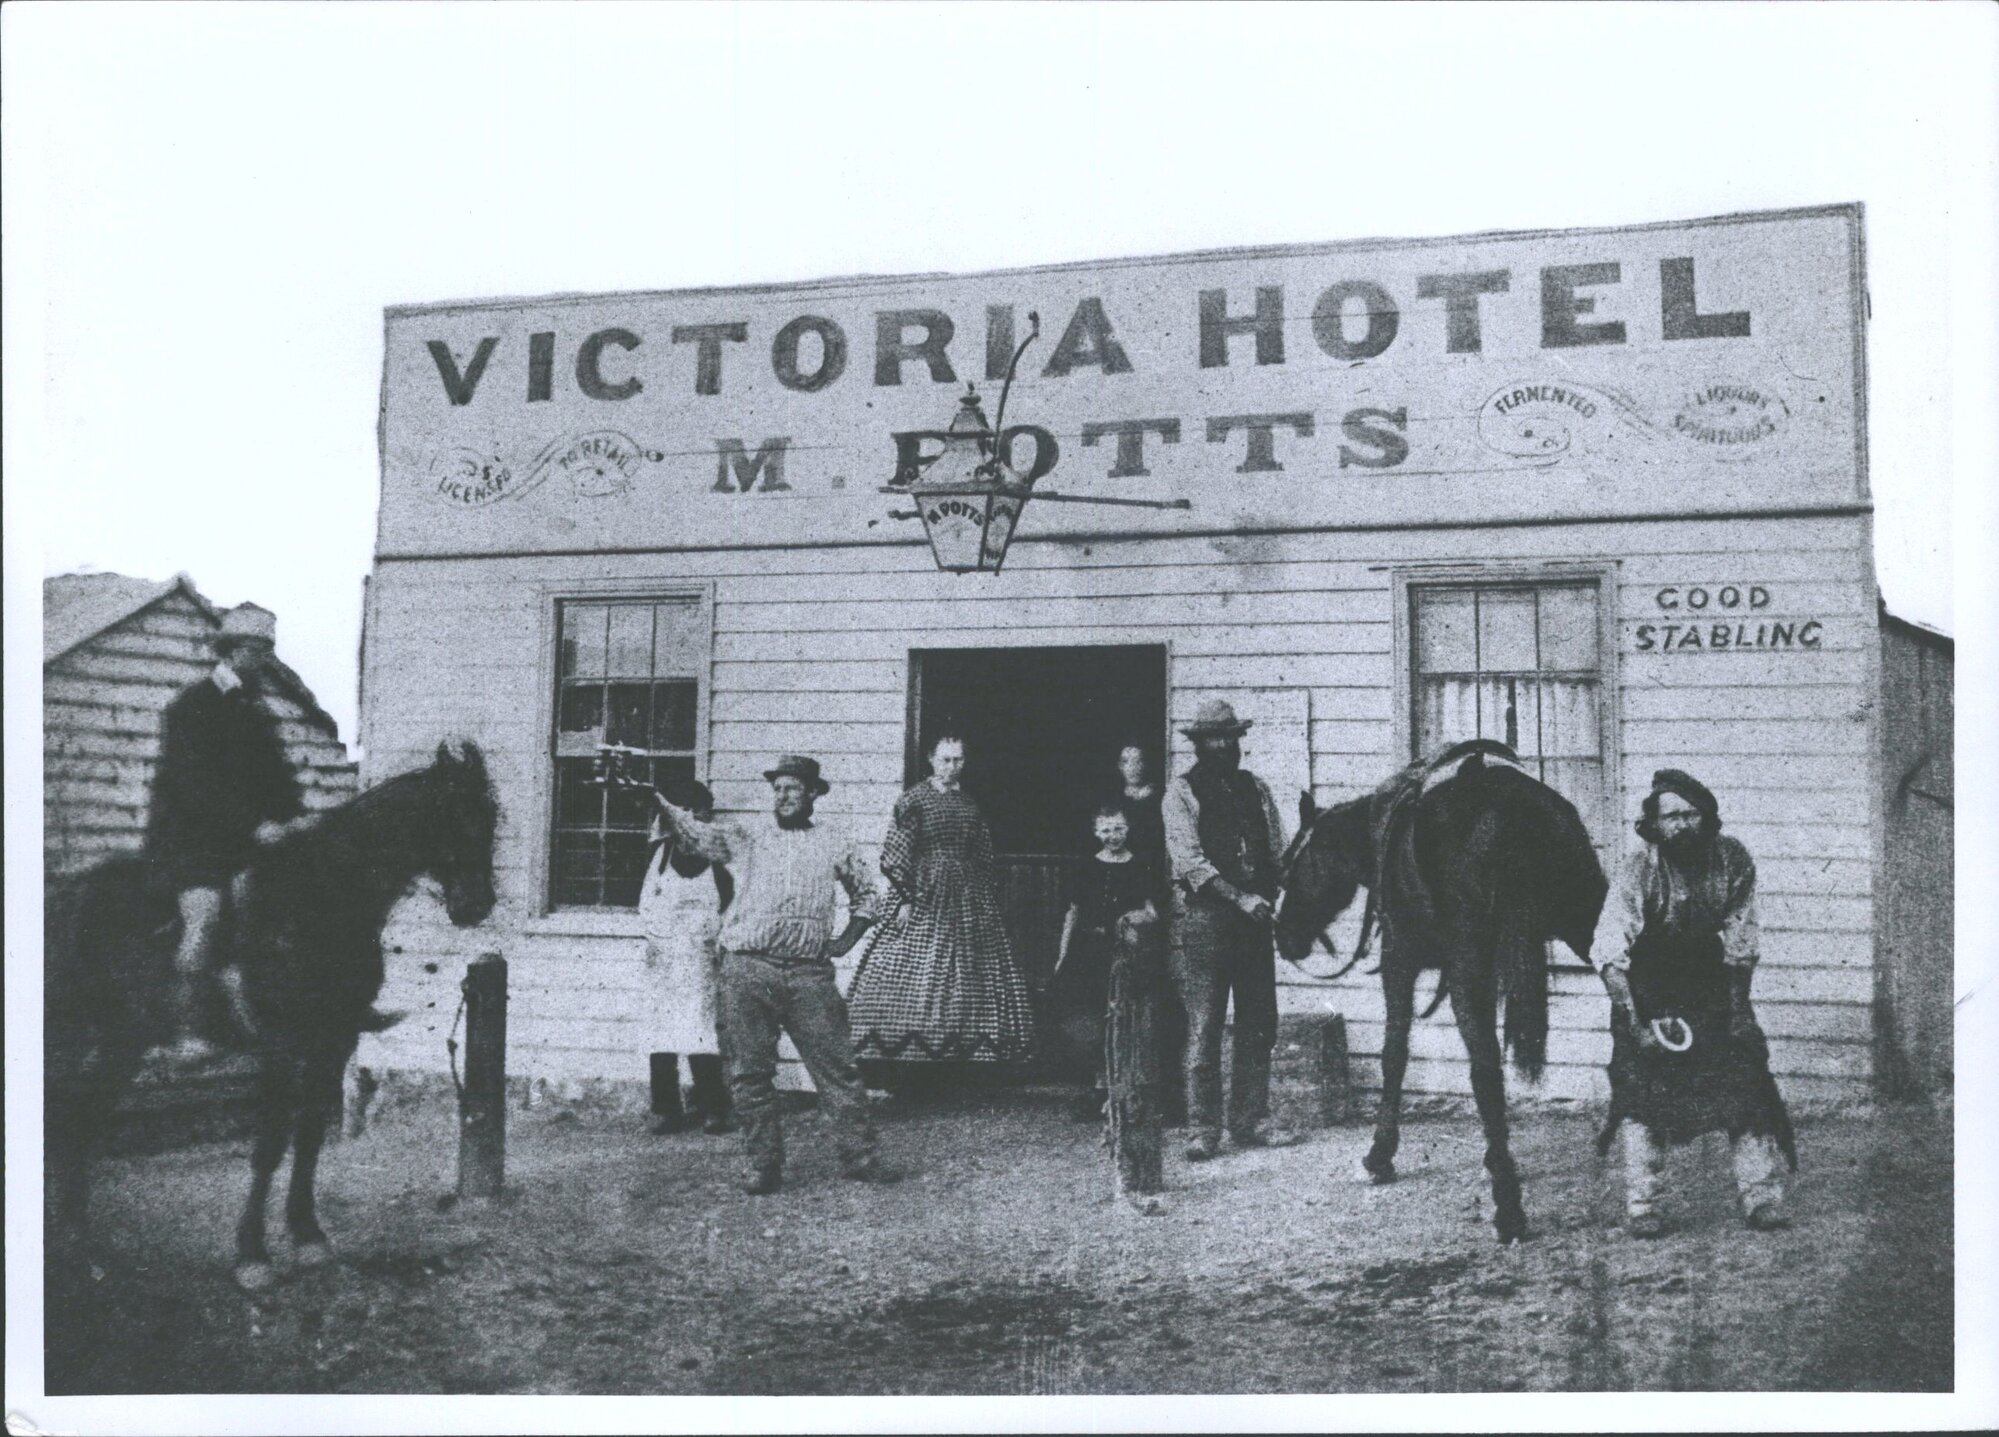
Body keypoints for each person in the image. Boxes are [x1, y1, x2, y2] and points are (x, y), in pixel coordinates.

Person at [653, 755, 893, 1195]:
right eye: (777, 789)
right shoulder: (748, 837)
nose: (782, 797)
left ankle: (860, 1157)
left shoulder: (834, 842)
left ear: (813, 794)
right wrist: (656, 799)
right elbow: (695, 835)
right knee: (749, 1074)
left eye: (792, 789)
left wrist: (844, 942)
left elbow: (868, 894)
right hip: (748, 969)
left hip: (808, 975)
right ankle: (763, 1165)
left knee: (838, 1070)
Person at [1591, 768, 1797, 1238]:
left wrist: (1740, 1012)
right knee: (1643, 1095)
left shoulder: (1732, 860)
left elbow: (1742, 939)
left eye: (1691, 815)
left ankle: (1761, 1197)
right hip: (1647, 988)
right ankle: (1643, 1204)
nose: (1682, 825)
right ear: (1655, 824)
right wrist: (1635, 1023)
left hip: (1709, 985)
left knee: (1746, 1085)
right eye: (1672, 817)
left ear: (1706, 819)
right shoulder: (1637, 869)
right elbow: (1608, 952)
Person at [143, 603, 307, 1067]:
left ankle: (258, 1021)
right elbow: (195, 786)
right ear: (232, 652)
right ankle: (186, 1032)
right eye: (255, 651)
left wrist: (295, 817)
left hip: (239, 845)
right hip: (187, 845)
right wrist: (255, 825)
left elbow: (276, 776)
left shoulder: (255, 711)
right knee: (205, 919)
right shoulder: (192, 707)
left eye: (266, 652)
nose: (261, 661)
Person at [1162, 699, 1301, 1160]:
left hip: (1257, 923)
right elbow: (1190, 863)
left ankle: (1251, 1119)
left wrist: (1291, 889)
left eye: (1231, 738)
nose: (1225, 746)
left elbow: (1277, 852)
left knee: (1259, 1022)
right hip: (1209, 922)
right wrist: (1240, 898)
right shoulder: (1180, 793)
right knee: (1204, 1026)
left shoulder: (1256, 789)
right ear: (1200, 744)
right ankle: (1203, 1128)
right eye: (1215, 740)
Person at [847, 734, 1037, 1067]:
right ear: (932, 761)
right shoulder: (914, 800)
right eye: (946, 760)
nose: (952, 767)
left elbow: (982, 852)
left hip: (967, 896)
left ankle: (958, 1058)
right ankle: (907, 1057)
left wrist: (984, 895)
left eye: (958, 760)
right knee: (913, 966)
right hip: (923, 891)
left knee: (970, 969)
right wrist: (904, 898)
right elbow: (897, 851)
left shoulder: (969, 804)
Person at [637, 775, 735, 1136]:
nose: (692, 818)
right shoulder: (658, 854)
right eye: (685, 811)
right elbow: (646, 903)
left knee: (700, 1031)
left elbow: (732, 910)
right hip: (662, 956)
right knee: (660, 1032)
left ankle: (712, 1107)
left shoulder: (719, 859)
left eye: (699, 811)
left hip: (701, 957)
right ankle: (665, 1109)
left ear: (709, 816)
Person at [1053, 801, 1160, 1121]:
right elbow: (1072, 914)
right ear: (1095, 832)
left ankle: (1122, 1091)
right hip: (1089, 953)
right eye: (1106, 829)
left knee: (1125, 1018)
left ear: (1128, 829)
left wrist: (1133, 918)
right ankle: (1100, 1088)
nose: (1113, 835)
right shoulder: (1085, 866)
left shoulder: (1141, 865)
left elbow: (1153, 912)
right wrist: (1062, 956)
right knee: (1089, 1021)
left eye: (1119, 828)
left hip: (1127, 953)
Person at [1111, 741, 1184, 1124]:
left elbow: (1164, 852)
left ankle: (1165, 1096)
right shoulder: (1112, 803)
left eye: (1139, 759)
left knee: (1158, 996)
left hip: (1153, 899)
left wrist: (1154, 899)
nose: (1132, 766)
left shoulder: (1161, 802)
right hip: (1120, 896)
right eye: (1125, 760)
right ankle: (1116, 1092)